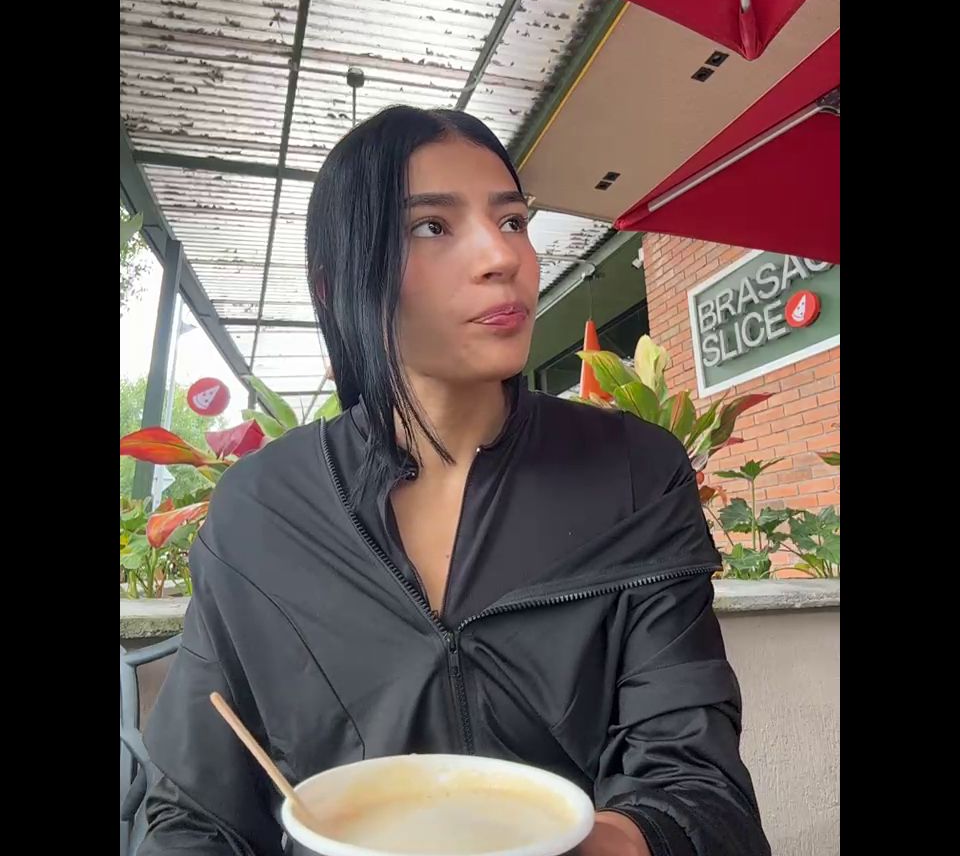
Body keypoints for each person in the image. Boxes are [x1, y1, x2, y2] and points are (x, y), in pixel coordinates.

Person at [140, 106, 770, 856]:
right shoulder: (260, 509)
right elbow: (195, 814)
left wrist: (609, 843)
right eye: (431, 227)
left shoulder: (635, 472)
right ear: (335, 283)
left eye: (512, 221)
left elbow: (698, 786)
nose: (501, 256)